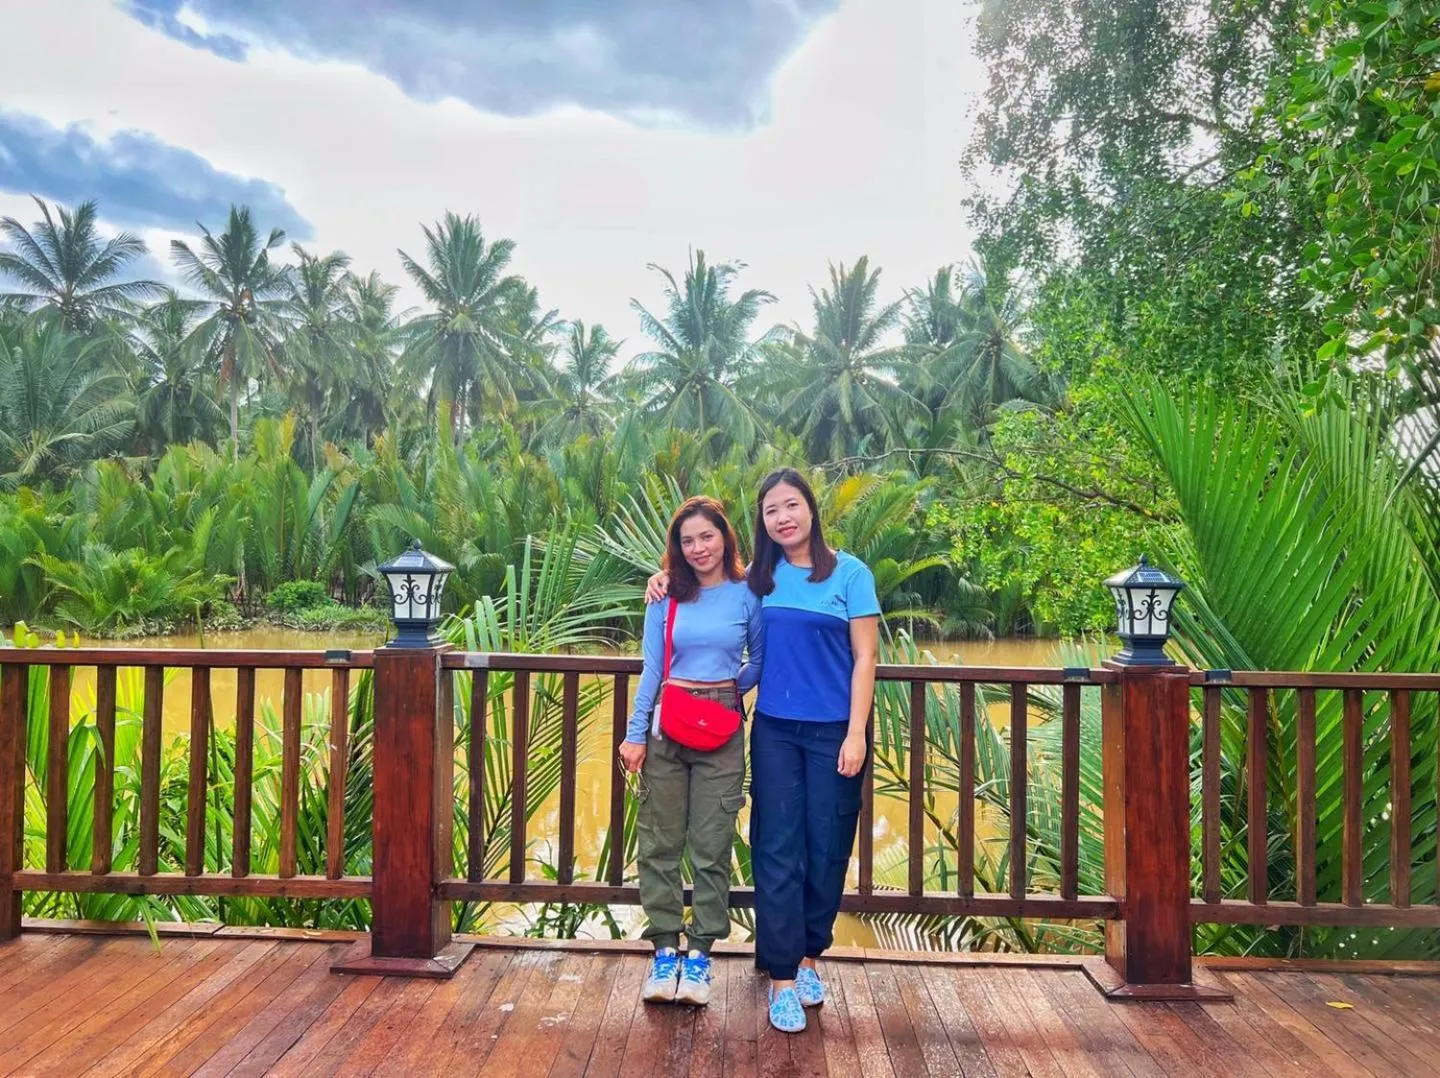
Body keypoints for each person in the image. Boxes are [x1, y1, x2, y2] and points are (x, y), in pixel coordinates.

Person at [646, 468, 879, 1034]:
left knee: (827, 849)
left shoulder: (850, 574)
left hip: (834, 733)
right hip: (774, 729)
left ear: (811, 509)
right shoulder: (760, 579)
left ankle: (807, 959)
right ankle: (779, 980)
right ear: (762, 521)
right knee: (776, 848)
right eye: (772, 509)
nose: (783, 517)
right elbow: (707, 590)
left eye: (791, 505)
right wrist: (662, 577)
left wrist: (856, 733)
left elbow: (866, 658)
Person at [621, 495, 764, 1007]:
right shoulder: (665, 597)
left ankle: (700, 953)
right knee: (659, 841)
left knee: (712, 844)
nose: (699, 547)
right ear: (676, 549)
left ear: (725, 537)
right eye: (688, 540)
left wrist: (727, 691)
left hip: (722, 735)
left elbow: (760, 659)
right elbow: (652, 670)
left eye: (707, 536)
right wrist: (636, 733)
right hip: (666, 732)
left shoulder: (749, 594)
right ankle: (664, 949)